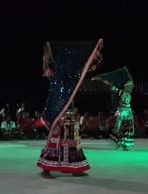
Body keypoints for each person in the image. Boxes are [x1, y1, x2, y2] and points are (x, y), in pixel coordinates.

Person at [37, 39, 104, 178]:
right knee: (55, 137)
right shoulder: (59, 72)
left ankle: (74, 167)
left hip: (69, 108)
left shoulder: (72, 71)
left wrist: (92, 58)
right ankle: (46, 168)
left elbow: (86, 68)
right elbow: (48, 62)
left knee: (71, 137)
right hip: (58, 108)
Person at [92, 67, 134, 150]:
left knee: (125, 127)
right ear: (127, 87)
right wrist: (103, 81)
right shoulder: (123, 93)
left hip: (126, 111)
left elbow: (117, 87)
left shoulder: (127, 94)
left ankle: (122, 143)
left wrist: (128, 75)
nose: (131, 88)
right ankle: (120, 142)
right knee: (119, 127)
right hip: (123, 111)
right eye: (130, 87)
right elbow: (113, 88)